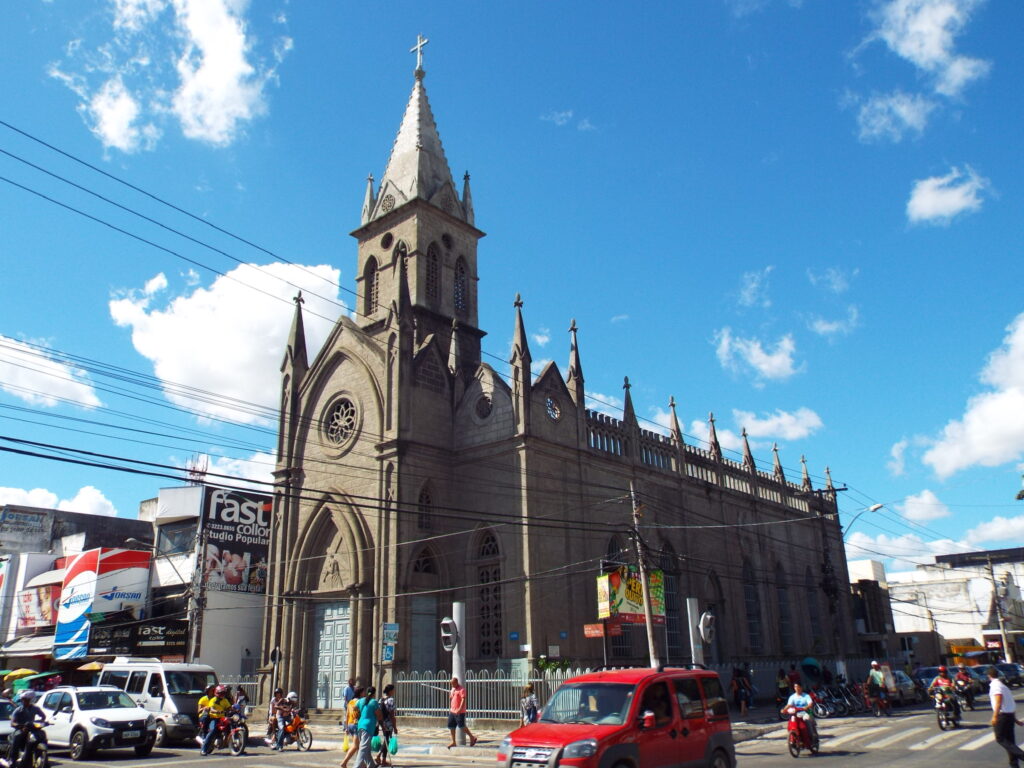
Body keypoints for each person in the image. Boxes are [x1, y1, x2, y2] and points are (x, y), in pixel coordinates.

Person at [989, 665, 1024, 768]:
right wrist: (1016, 720)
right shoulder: (1003, 686)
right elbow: (1009, 704)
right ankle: (1014, 765)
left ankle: (1022, 756)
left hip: (1002, 716)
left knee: (1000, 738)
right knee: (1010, 742)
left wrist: (995, 716)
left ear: (989, 676)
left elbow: (999, 701)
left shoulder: (995, 686)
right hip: (1009, 716)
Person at [10, 690, 46, 767]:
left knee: (42, 734)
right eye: (24, 700)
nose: (26, 701)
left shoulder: (35, 708)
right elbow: (12, 722)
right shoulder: (18, 710)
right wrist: (20, 726)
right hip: (21, 729)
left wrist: (42, 721)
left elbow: (43, 716)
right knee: (18, 736)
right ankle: (13, 760)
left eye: (27, 700)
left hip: (32, 729)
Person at [199, 684, 233, 755]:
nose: (223, 695)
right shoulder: (213, 700)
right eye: (221, 693)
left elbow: (229, 707)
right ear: (217, 693)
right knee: (212, 731)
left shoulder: (225, 700)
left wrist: (234, 709)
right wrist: (216, 711)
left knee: (231, 725)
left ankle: (235, 746)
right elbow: (211, 708)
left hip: (222, 718)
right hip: (214, 718)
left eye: (224, 693)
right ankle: (203, 749)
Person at [354, 686, 382, 768]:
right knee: (363, 748)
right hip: (368, 726)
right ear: (374, 693)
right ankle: (357, 766)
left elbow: (355, 708)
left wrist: (358, 716)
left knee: (366, 748)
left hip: (360, 725)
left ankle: (371, 765)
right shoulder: (374, 702)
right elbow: (379, 715)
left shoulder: (361, 701)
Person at [447, 677, 477, 748]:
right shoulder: (453, 689)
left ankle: (472, 737)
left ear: (456, 682)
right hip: (452, 711)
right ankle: (454, 742)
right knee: (451, 726)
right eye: (451, 684)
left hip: (459, 712)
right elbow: (451, 698)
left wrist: (460, 709)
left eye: (452, 684)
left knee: (462, 726)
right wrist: (451, 693)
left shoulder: (462, 689)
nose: (452, 685)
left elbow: (463, 699)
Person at [340, 685, 365, 768]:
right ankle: (344, 762)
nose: (364, 693)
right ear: (360, 693)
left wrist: (346, 727)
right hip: (356, 724)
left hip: (350, 724)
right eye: (363, 692)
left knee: (359, 745)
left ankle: (361, 764)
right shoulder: (360, 702)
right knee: (355, 746)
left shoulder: (350, 702)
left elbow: (347, 715)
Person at [376, 684, 398, 767]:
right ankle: (379, 756)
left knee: (386, 739)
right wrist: (395, 727)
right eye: (393, 690)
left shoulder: (381, 699)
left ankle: (383, 760)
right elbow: (392, 715)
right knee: (387, 740)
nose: (394, 691)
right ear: (390, 691)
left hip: (382, 722)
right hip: (388, 723)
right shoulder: (391, 700)